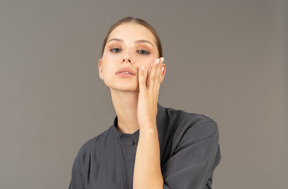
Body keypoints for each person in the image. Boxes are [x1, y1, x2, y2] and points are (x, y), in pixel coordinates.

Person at [68, 17, 221, 189]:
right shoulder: (88, 155)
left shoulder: (196, 131)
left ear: (161, 71)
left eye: (142, 51)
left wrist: (147, 124)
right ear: (101, 68)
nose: (126, 57)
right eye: (116, 49)